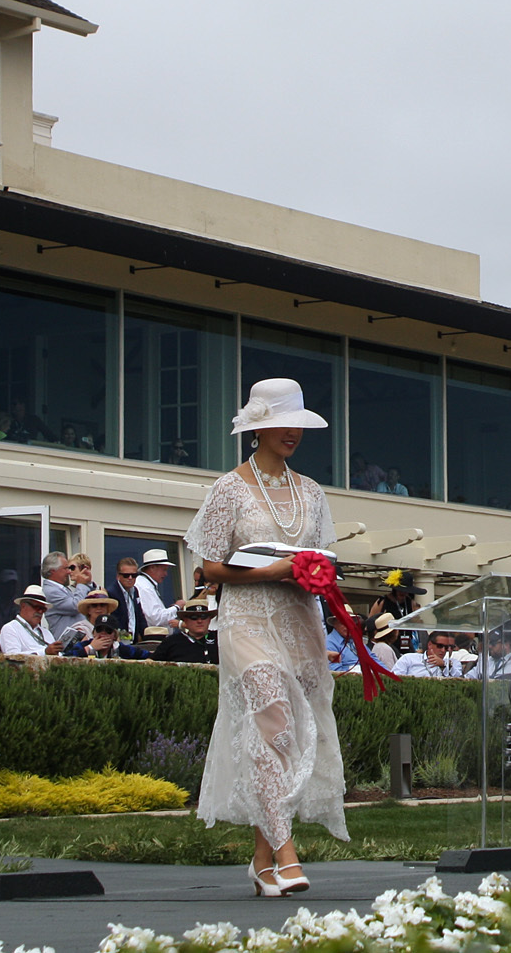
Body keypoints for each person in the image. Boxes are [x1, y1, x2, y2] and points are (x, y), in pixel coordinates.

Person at [187, 378, 349, 897]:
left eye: (298, 425)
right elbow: (209, 566)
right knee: (271, 716)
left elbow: (324, 558)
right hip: (247, 617)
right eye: (282, 424)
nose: (291, 434)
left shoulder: (311, 491)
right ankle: (286, 852)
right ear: (258, 428)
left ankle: (262, 863)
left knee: (283, 736)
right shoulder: (228, 488)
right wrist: (271, 571)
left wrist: (312, 572)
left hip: (299, 620)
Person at [0, 584, 62, 655]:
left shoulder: (46, 633)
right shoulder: (10, 628)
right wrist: (45, 652)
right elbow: (13, 657)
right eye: (37, 607)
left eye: (43, 609)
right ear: (23, 606)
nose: (40, 612)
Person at [152, 599, 219, 664]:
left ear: (209, 619)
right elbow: (152, 664)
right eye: (194, 617)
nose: (199, 621)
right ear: (185, 620)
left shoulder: (220, 638)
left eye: (203, 617)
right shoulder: (171, 641)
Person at [39, 552, 87, 640]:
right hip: (66, 646)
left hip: (78, 642)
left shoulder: (62, 589)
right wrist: (81, 584)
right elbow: (77, 606)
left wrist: (88, 582)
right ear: (53, 570)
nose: (69, 572)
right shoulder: (50, 591)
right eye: (65, 568)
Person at [110, 558, 152, 640]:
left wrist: (147, 638)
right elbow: (115, 621)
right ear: (118, 576)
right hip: (119, 641)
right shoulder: (112, 593)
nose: (130, 578)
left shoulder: (135, 591)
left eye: (134, 575)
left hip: (134, 640)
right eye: (126, 575)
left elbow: (140, 616)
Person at [395, 631, 464, 678]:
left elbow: (459, 682)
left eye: (447, 647)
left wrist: (444, 665)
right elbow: (394, 678)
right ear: (430, 645)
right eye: (440, 646)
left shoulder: (453, 663)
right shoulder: (409, 658)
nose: (443, 650)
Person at [136, 548, 177, 627]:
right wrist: (177, 607)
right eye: (164, 570)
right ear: (152, 568)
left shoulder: (147, 584)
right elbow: (156, 619)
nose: (166, 574)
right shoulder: (144, 587)